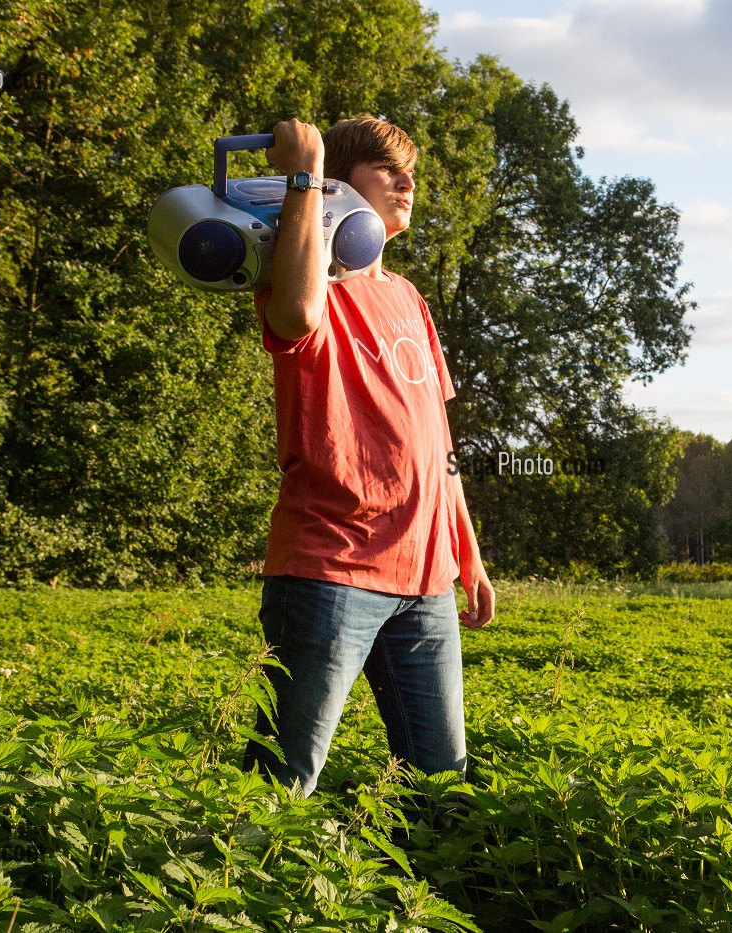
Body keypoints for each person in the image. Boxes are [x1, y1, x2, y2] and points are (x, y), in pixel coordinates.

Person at [241, 115, 495, 797]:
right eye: (388, 169)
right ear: (339, 183)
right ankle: (230, 902)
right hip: (330, 569)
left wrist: (465, 550)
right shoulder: (308, 279)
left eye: (410, 170)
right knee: (281, 778)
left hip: (425, 582)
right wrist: (304, 176)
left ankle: (413, 902)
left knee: (440, 782)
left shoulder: (409, 298)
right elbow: (295, 315)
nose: (408, 182)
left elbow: (438, 442)